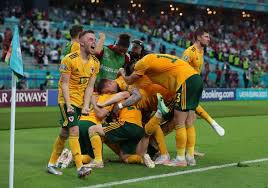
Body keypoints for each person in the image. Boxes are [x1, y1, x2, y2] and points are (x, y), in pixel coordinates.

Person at [119, 53, 203, 166]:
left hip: (184, 82)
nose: (136, 72)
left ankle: (180, 159)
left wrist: (123, 73)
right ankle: (190, 157)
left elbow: (129, 81)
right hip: (196, 78)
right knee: (189, 121)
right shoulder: (155, 57)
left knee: (180, 122)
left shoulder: (141, 64)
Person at [47, 30, 100, 178]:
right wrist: (69, 105)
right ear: (81, 43)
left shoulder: (95, 62)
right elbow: (64, 84)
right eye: (90, 39)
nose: (94, 42)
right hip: (66, 99)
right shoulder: (69, 59)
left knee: (64, 132)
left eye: (95, 40)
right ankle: (80, 167)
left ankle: (51, 164)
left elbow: (90, 87)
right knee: (74, 131)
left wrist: (85, 105)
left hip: (80, 101)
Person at [182, 27, 224, 137]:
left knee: (190, 120)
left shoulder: (202, 50)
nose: (209, 39)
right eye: (206, 36)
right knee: (182, 121)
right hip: (187, 87)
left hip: (195, 87)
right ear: (198, 38)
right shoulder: (189, 52)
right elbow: (180, 69)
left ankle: (189, 150)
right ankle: (212, 122)